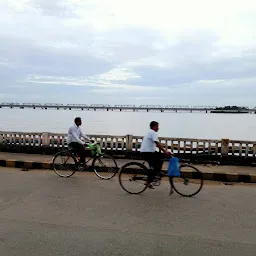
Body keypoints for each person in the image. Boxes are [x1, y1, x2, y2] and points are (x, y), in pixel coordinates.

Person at [140, 121, 172, 186]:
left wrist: (164, 151)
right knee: (155, 166)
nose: (158, 128)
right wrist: (165, 151)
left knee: (160, 157)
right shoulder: (152, 132)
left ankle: (156, 174)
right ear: (154, 126)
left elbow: (157, 144)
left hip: (148, 152)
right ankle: (149, 180)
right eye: (157, 126)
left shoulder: (149, 132)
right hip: (148, 152)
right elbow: (157, 143)